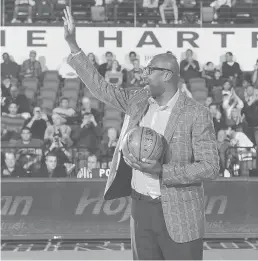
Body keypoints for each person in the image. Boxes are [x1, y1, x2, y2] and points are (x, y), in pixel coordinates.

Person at [63, 6, 219, 260]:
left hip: (180, 213)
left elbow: (211, 166)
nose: (144, 74)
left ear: (167, 75)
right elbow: (101, 88)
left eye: (150, 70)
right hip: (140, 208)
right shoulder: (138, 100)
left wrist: (162, 171)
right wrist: (73, 45)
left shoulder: (195, 113)